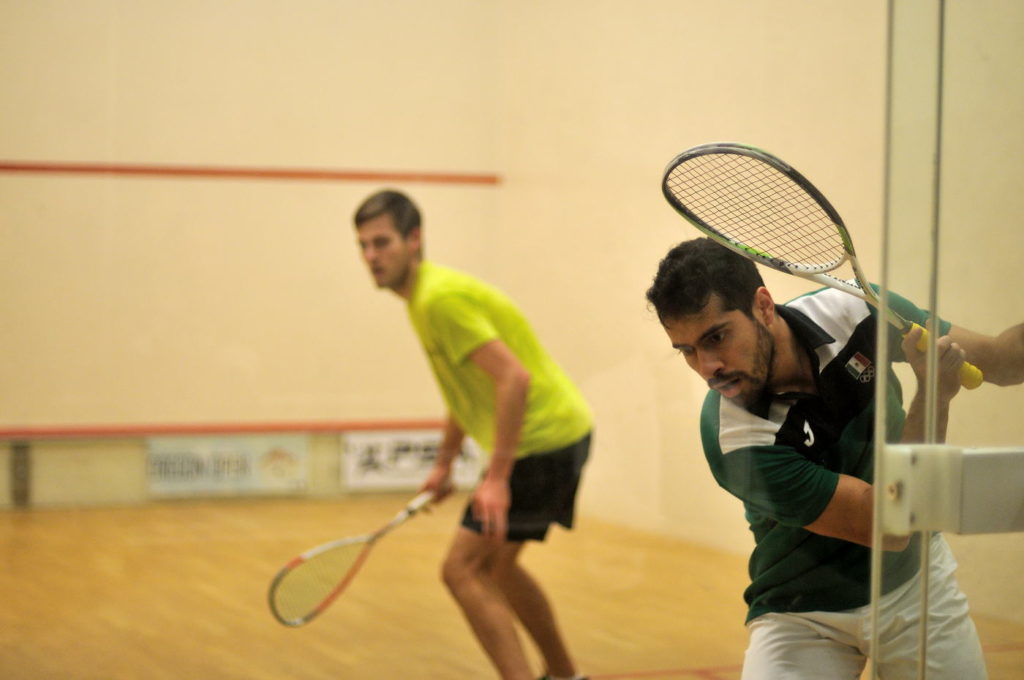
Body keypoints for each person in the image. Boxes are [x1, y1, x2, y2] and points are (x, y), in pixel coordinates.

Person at [644, 237, 1024, 680]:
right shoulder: (734, 437)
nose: (707, 366)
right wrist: (934, 396)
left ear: (764, 306)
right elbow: (890, 523)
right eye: (687, 350)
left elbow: (1003, 360)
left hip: (913, 587)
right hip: (804, 616)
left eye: (716, 337)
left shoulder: (854, 311)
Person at [353, 189, 593, 680]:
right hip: (556, 437)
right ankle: (568, 676)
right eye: (364, 246)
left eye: (382, 243)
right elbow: (468, 387)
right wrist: (444, 462)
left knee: (462, 570)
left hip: (542, 442)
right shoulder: (423, 299)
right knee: (497, 568)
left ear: (414, 239)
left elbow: (513, 378)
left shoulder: (440, 300)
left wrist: (496, 477)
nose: (372, 257)